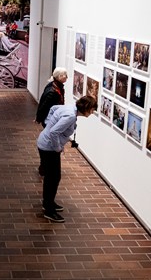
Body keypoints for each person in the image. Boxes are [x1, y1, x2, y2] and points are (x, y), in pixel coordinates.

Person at [37, 95, 97, 223]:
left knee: (53, 177)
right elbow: (53, 132)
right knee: (52, 178)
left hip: (45, 144)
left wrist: (48, 123)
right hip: (49, 148)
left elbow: (53, 108)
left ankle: (49, 203)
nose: (92, 113)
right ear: (86, 108)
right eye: (92, 110)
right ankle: (48, 210)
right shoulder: (70, 116)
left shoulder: (70, 108)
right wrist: (58, 147)